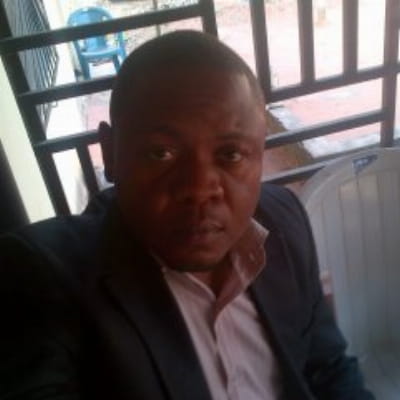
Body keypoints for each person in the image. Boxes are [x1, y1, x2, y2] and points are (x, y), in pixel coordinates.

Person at [0, 31, 374, 400]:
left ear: (261, 152)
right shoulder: (41, 277)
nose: (199, 187)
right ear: (111, 154)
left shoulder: (285, 221)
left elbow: (328, 368)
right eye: (161, 153)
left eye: (230, 154)